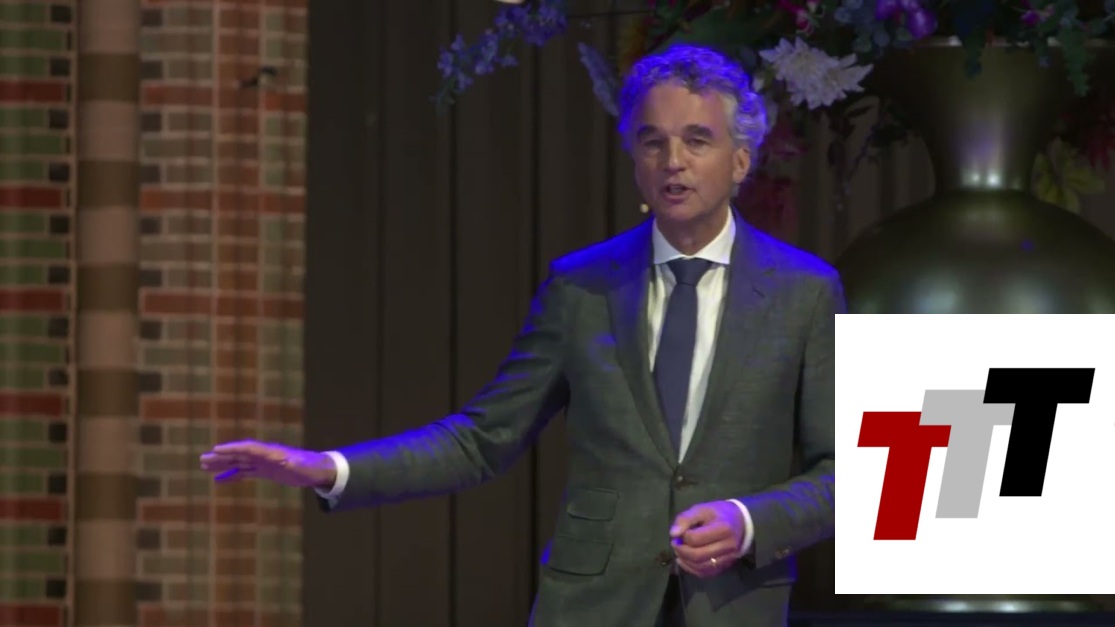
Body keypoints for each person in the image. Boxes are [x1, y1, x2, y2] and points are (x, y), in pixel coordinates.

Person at [200, 44, 842, 627]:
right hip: (592, 608)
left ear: (740, 160)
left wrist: (749, 520)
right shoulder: (581, 287)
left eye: (696, 140)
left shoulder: (806, 293)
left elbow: (853, 476)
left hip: (734, 606)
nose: (672, 161)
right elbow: (483, 439)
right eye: (653, 142)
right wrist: (329, 469)